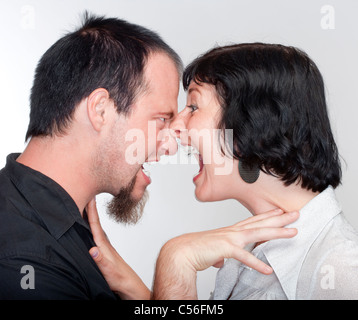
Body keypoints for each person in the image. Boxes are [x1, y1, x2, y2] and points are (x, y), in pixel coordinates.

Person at [0, 13, 297, 300]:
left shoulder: (65, 229)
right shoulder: (25, 262)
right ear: (100, 109)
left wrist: (137, 292)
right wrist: (175, 260)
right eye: (161, 119)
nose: (170, 145)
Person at [89, 43, 358, 300]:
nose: (176, 126)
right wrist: (130, 286)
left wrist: (175, 258)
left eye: (193, 107)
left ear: (254, 128)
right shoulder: (251, 249)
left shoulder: (342, 271)